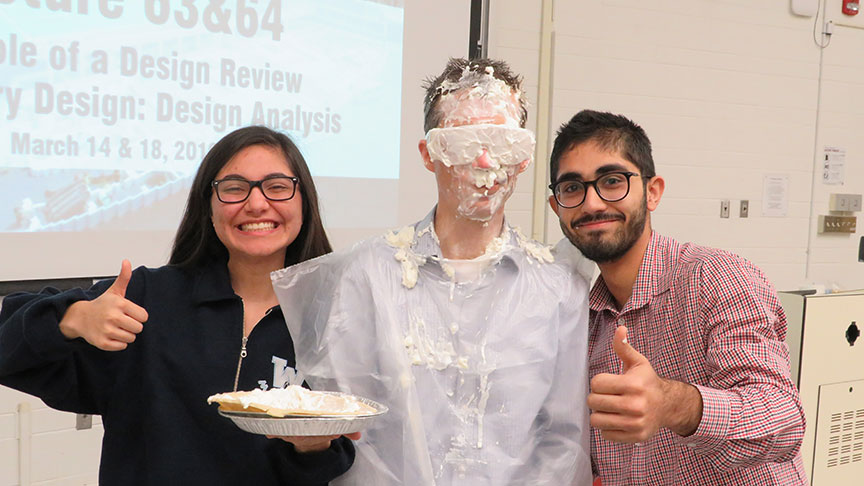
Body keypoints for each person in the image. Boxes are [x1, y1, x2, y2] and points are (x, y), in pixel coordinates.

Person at [271, 58, 592, 485]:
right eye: (464, 141)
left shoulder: (558, 288)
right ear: (428, 153)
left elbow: (563, 440)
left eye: (502, 143)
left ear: (523, 158)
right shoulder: (368, 276)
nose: (484, 160)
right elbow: (351, 432)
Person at [0, 126, 358, 485]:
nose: (257, 203)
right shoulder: (145, 299)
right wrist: (70, 318)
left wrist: (313, 448)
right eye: (234, 188)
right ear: (209, 207)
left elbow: (328, 466)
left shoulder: (334, 317)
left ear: (304, 200)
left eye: (277, 186)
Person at [547, 109, 807, 485]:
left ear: (652, 193)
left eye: (612, 180)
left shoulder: (716, 277)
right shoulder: (581, 320)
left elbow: (783, 421)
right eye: (572, 188)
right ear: (557, 207)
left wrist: (671, 404)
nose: (592, 204)